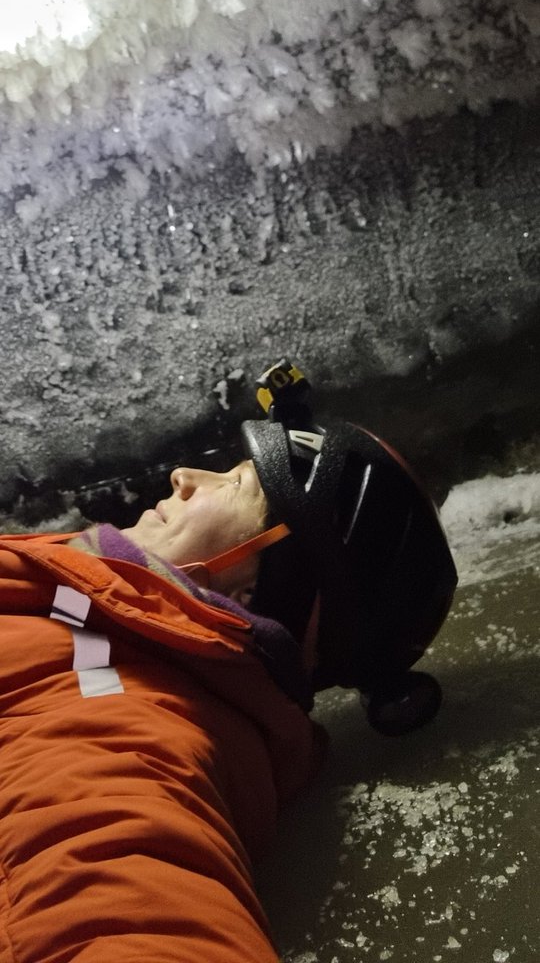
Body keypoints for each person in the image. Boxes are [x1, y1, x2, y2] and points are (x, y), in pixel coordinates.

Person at [0, 361, 457, 963]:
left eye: (234, 485)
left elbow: (115, 881)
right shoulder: (91, 612)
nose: (184, 475)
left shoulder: (121, 711)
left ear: (256, 591)